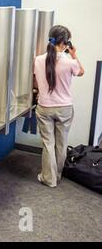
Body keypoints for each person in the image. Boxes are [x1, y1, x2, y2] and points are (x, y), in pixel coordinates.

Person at [33, 25, 84, 187]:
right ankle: (58, 175)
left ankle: (49, 178)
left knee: (48, 143)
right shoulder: (70, 62)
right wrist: (74, 54)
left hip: (45, 107)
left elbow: (35, 80)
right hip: (64, 108)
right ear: (65, 43)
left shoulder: (39, 60)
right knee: (61, 143)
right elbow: (81, 72)